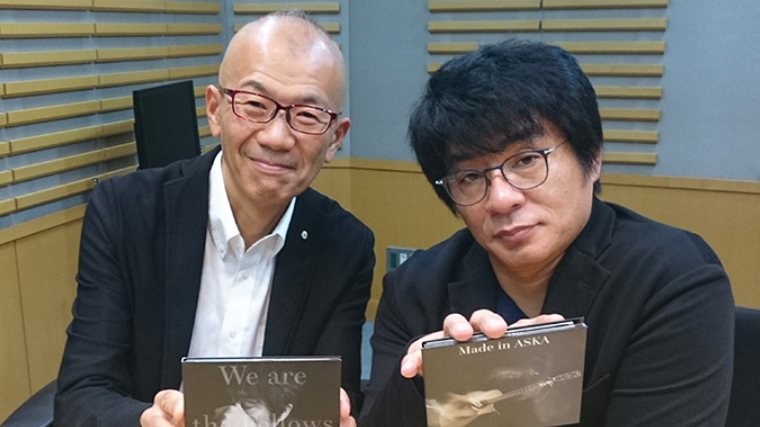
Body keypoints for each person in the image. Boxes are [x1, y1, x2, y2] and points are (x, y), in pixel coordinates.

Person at [357, 39, 734, 427]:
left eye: (526, 160)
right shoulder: (414, 288)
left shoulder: (672, 278)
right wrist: (425, 383)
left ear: (593, 157)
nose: (501, 199)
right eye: (470, 177)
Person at [54, 10, 374, 427]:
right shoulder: (125, 213)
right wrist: (147, 420)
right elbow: (81, 394)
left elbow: (333, 396)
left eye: (308, 116)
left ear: (335, 139)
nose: (277, 137)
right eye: (255, 105)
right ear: (215, 110)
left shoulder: (346, 248)